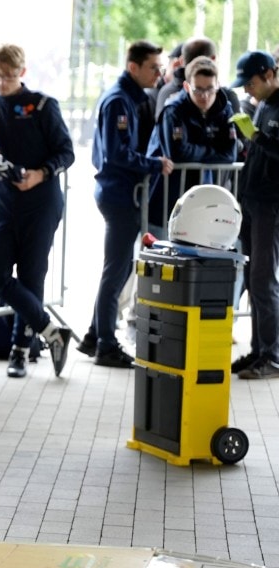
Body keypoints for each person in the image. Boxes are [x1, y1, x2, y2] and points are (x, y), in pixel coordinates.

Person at [0, 44, 74, 379]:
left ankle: (21, 351)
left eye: (9, 76)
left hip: (41, 202)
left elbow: (66, 152)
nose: (2, 83)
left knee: (31, 275)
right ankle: (51, 331)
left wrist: (40, 173)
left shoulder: (42, 105)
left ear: (22, 73)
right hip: (3, 201)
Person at [78, 40, 173, 368]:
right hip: (119, 194)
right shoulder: (120, 100)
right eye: (153, 67)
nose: (159, 74)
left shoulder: (131, 97)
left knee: (116, 268)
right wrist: (154, 164)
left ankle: (94, 334)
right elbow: (116, 154)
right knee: (116, 271)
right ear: (133, 67)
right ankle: (105, 344)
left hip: (120, 192)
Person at [146, 56, 237, 231]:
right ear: (187, 87)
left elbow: (229, 155)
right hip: (166, 200)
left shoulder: (224, 110)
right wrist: (213, 151)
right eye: (198, 90)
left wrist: (198, 152)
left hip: (203, 204)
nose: (205, 96)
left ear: (217, 85)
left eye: (210, 89)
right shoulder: (173, 111)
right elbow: (178, 154)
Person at [233, 50, 279, 379]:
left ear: (269, 75)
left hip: (271, 204)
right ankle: (258, 349)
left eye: (251, 83)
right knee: (252, 280)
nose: (247, 90)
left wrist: (258, 138)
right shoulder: (263, 105)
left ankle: (272, 355)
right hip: (253, 201)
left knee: (263, 280)